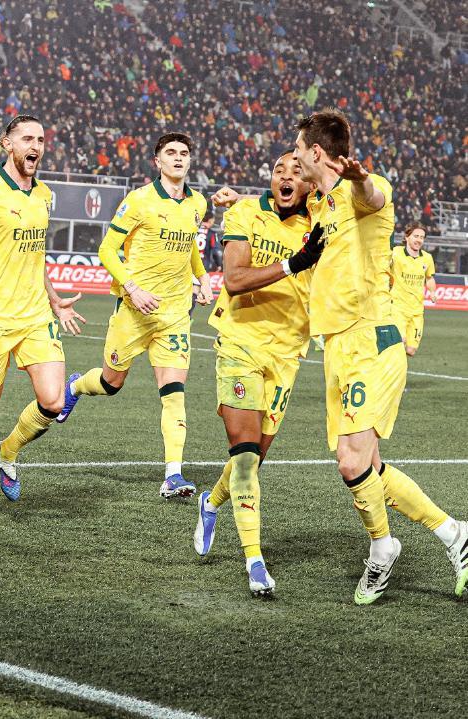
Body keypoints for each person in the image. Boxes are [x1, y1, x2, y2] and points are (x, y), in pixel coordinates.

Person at [293, 109, 467, 603]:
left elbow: (372, 196)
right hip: (338, 346)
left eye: (299, 149)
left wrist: (360, 178)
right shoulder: (320, 205)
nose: (296, 157)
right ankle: (454, 534)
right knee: (367, 466)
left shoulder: (363, 191)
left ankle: (383, 548)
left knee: (351, 462)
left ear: (317, 152)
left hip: (372, 339)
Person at [193, 152, 323, 596]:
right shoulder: (245, 212)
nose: (285, 177)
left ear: (310, 184)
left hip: (288, 354)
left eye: (296, 172)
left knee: (255, 457)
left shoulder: (319, 222)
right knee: (246, 457)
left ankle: (211, 502)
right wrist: (293, 263)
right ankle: (255, 562)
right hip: (240, 344)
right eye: (278, 171)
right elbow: (233, 279)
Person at [56, 132, 214, 499]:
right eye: (170, 153)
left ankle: (173, 475)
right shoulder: (138, 201)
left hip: (174, 315)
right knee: (111, 383)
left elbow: (189, 245)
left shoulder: (198, 203)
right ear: (158, 161)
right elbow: (107, 249)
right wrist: (132, 288)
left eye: (184, 153)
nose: (178, 158)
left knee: (174, 395)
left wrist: (203, 278)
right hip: (133, 311)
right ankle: (76, 386)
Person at [0, 115, 84, 521]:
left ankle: (7, 451)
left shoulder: (44, 194)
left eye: (41, 139)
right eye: (27, 138)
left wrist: (54, 299)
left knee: (53, 401)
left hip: (35, 315)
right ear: (6, 144)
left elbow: (34, 255)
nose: (36, 146)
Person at [390, 223, 437, 356]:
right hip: (397, 307)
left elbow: (429, 278)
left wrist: (432, 292)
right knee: (400, 342)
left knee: (411, 350)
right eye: (416, 236)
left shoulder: (427, 258)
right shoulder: (395, 253)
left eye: (422, 237)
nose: (419, 240)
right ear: (407, 237)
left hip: (417, 310)